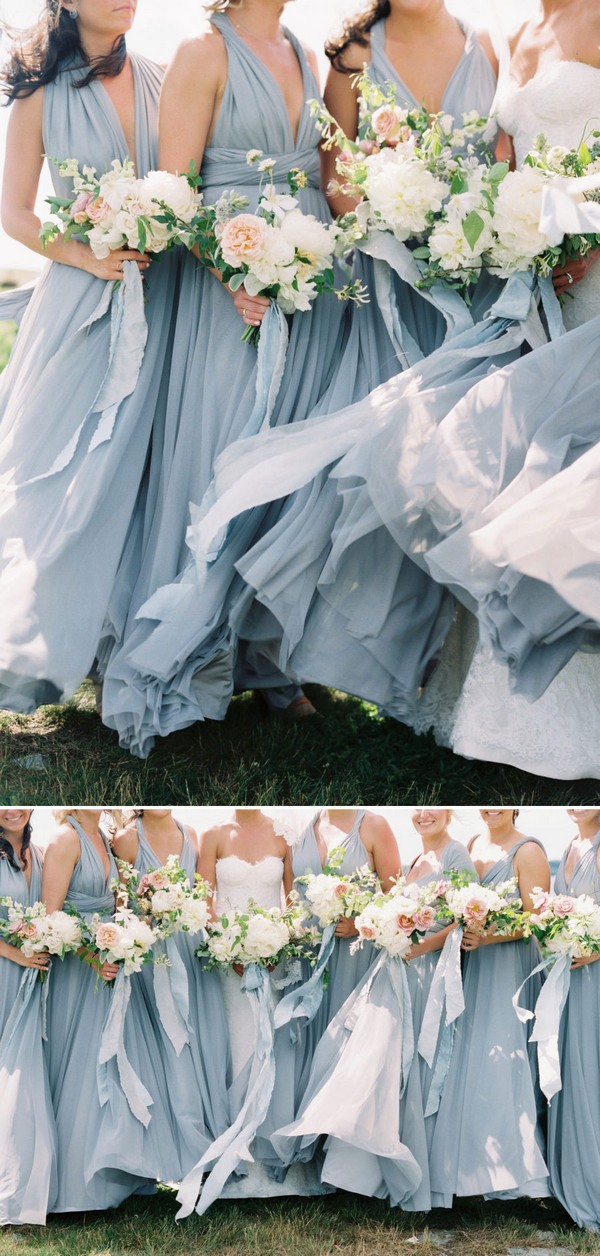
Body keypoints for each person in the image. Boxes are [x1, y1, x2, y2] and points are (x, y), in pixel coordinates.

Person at [99, 0, 351, 757]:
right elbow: (176, 189)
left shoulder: (307, 52)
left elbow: (328, 171)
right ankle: (190, 646)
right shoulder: (201, 52)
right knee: (221, 449)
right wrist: (238, 272)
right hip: (225, 291)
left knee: (286, 464)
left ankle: (271, 658)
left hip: (309, 279)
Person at [0, 0, 181, 717]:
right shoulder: (40, 93)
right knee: (52, 467)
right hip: (79, 303)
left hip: (167, 301)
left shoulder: (167, 78)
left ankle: (119, 650)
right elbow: (13, 209)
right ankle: (27, 634)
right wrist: (80, 253)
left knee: (143, 474)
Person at [42, 808, 181, 1211]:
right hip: (81, 968)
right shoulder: (66, 839)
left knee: (114, 1065)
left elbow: (120, 904)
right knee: (84, 1068)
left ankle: (116, 1174)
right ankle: (75, 1186)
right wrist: (92, 955)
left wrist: (134, 933)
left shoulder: (104, 836)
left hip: (111, 962)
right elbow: (51, 916)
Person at [428, 808, 551, 1205]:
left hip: (506, 965)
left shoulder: (528, 850)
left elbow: (537, 920)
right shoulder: (470, 846)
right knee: (470, 1055)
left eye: (500, 802)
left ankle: (515, 1173)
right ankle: (470, 1165)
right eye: (484, 803)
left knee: (503, 1053)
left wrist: (488, 937)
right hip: (470, 963)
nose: (491, 808)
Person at [112, 808, 231, 1174]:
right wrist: (146, 914)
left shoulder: (190, 833)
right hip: (156, 961)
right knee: (173, 1046)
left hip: (192, 954)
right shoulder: (127, 839)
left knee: (206, 1041)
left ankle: (218, 1137)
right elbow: (120, 905)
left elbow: (201, 896)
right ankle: (188, 1153)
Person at [0, 809, 57, 1226]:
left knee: (22, 1080)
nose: (12, 809)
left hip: (34, 979)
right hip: (6, 969)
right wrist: (18, 955)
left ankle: (25, 1185)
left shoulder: (38, 853)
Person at [546, 808, 600, 1231]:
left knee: (590, 1067)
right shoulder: (568, 847)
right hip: (567, 972)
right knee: (571, 1066)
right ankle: (574, 1175)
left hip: (594, 973)